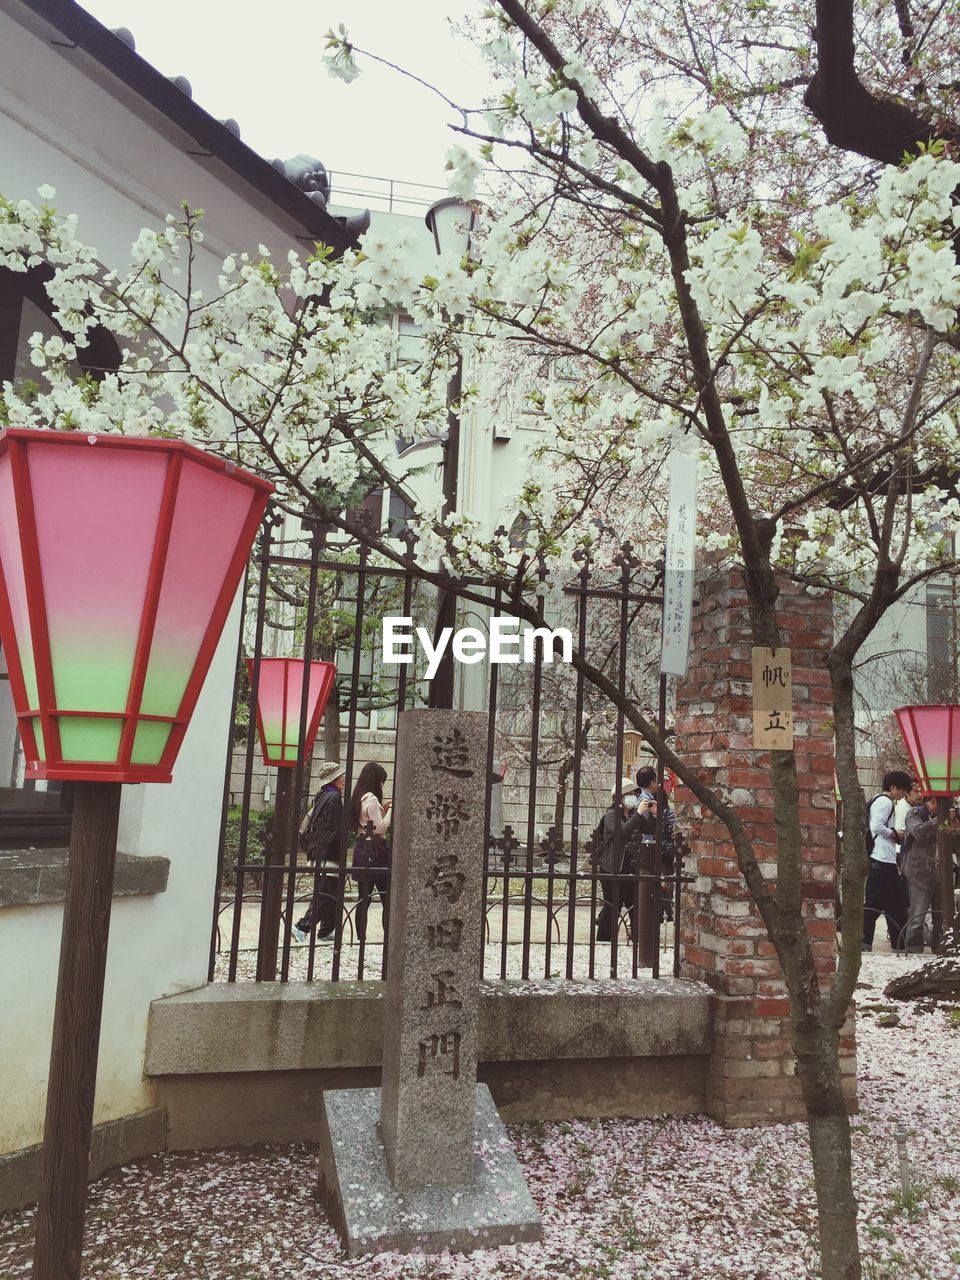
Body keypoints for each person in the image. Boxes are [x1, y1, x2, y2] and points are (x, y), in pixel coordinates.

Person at [593, 777, 656, 942]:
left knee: (636, 908)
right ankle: (604, 942)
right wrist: (639, 814)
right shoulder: (611, 815)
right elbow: (621, 833)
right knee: (612, 908)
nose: (633, 797)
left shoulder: (634, 815)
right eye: (629, 794)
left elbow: (650, 829)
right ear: (619, 797)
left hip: (632, 868)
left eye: (635, 794)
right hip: (613, 868)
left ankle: (639, 942)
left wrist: (652, 814)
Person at [292, 762, 346, 944]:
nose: (344, 780)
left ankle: (326, 930)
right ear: (334, 779)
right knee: (325, 893)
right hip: (328, 853)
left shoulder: (321, 795)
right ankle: (302, 926)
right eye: (341, 776)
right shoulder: (334, 798)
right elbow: (335, 827)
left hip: (318, 850)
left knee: (332, 893)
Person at [862, 770, 913, 952]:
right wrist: (894, 834)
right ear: (893, 787)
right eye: (902, 789)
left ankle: (865, 940)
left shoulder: (877, 800)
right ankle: (898, 944)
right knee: (894, 903)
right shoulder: (885, 802)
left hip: (879, 858)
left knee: (876, 902)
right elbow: (877, 826)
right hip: (883, 859)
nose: (903, 794)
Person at [351, 762, 392, 943]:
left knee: (363, 898)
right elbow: (379, 829)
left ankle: (361, 938)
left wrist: (383, 809)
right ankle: (389, 936)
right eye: (382, 781)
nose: (382, 785)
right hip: (376, 851)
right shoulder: (372, 799)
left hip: (362, 849)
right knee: (386, 898)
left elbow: (367, 822)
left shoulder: (358, 797)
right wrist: (390, 810)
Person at [635, 764, 677, 919]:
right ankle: (652, 919)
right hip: (649, 849)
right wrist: (656, 817)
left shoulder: (644, 798)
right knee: (648, 886)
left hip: (652, 849)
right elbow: (646, 827)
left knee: (651, 885)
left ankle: (654, 915)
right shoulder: (647, 801)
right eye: (656, 781)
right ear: (652, 782)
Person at [902, 793, 938, 953]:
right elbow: (917, 831)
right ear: (934, 801)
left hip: (940, 871)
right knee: (917, 914)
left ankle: (940, 945)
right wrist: (939, 820)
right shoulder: (915, 813)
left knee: (941, 915)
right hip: (919, 870)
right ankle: (913, 947)